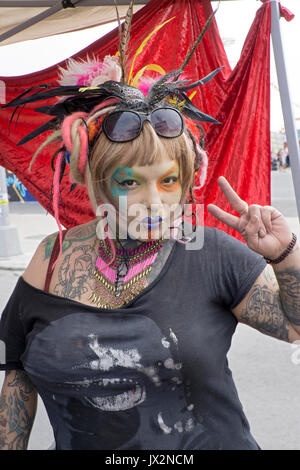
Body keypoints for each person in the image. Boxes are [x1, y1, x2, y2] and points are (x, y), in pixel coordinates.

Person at [1, 14, 300, 451]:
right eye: (130, 182)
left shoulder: (212, 253)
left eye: (168, 181)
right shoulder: (51, 258)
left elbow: (296, 326)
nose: (154, 201)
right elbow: (18, 370)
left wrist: (286, 254)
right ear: (97, 182)